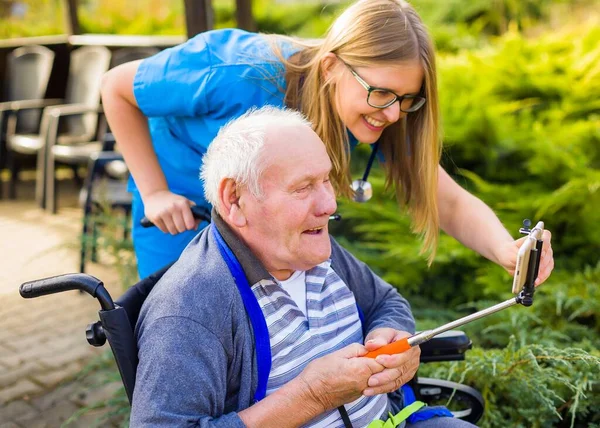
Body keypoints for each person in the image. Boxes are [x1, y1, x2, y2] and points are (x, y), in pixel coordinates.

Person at [101, 0, 554, 280]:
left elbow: (448, 200)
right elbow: (117, 87)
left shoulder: (381, 111)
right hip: (182, 213)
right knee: (182, 343)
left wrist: (507, 252)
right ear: (332, 67)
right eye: (380, 93)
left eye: (407, 99)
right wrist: (155, 191)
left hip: (266, 226)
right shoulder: (236, 70)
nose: (393, 113)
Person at [131, 107, 476, 427]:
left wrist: (392, 342)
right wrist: (311, 397)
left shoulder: (308, 245)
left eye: (326, 180)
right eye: (303, 187)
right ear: (234, 199)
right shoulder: (189, 308)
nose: (329, 204)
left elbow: (387, 303)